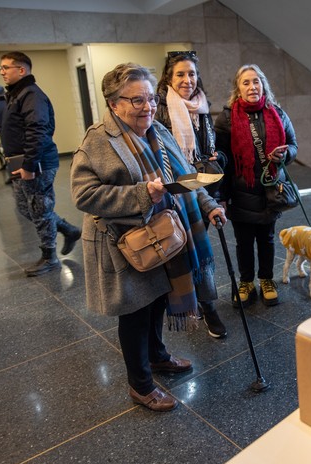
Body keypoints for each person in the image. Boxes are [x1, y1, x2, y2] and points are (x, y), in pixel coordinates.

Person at [70, 63, 226, 412]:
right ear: (113, 103)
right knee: (137, 312)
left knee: (157, 300)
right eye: (136, 100)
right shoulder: (98, 140)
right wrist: (143, 194)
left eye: (150, 98)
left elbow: (184, 178)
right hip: (126, 243)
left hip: (164, 234)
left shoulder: (157, 129)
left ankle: (158, 357)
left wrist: (209, 205)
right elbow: (83, 195)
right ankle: (140, 386)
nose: (148, 106)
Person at [154, 50, 227, 338]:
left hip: (204, 189)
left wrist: (214, 159)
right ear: (169, 78)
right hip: (177, 192)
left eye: (192, 73)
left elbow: (210, 148)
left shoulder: (202, 105)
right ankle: (193, 304)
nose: (188, 80)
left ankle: (207, 306)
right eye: (181, 74)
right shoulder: (161, 108)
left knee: (200, 248)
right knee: (183, 252)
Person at [214, 64, 298, 307]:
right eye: (246, 82)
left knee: (267, 239)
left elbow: (293, 144)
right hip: (240, 191)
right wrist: (221, 193)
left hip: (270, 190)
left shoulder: (277, 113)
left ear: (263, 85)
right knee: (243, 242)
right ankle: (246, 282)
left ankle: (267, 280)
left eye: (256, 81)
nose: (252, 86)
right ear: (238, 88)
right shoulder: (228, 117)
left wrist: (285, 155)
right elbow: (222, 157)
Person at [0, 51, 81, 276]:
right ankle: (68, 229)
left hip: (36, 164)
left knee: (40, 209)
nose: (2, 71)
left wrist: (29, 165)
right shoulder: (17, 94)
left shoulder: (31, 95)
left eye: (6, 67)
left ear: (21, 70)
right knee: (27, 209)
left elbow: (38, 131)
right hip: (22, 163)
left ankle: (50, 257)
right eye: (2, 67)